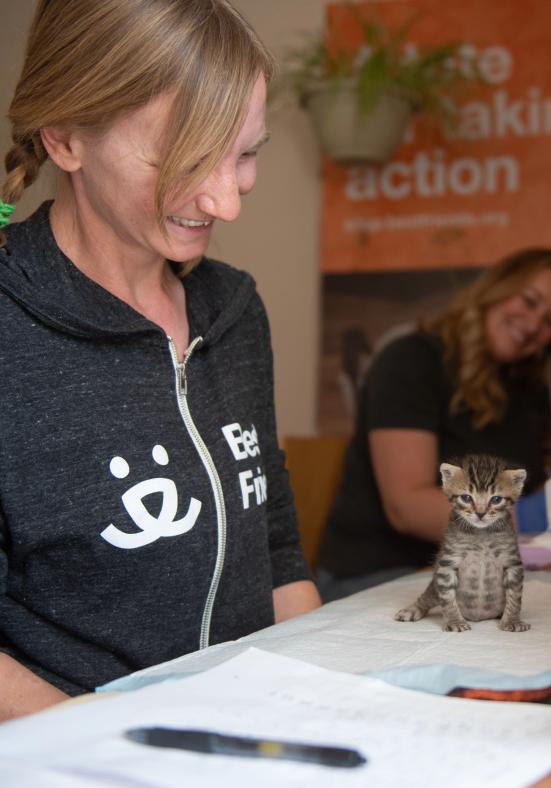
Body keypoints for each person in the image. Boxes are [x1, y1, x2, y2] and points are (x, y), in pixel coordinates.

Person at [0, 0, 320, 721]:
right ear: (64, 140)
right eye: (186, 160)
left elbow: (277, 552)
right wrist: (117, 746)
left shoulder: (235, 312)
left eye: (245, 154)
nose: (226, 202)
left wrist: (322, 702)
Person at [315, 248, 551, 600]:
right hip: (375, 574)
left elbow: (534, 489)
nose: (532, 326)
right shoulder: (411, 361)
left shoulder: (530, 390)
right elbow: (405, 506)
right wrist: (522, 523)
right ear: (497, 289)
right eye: (529, 301)